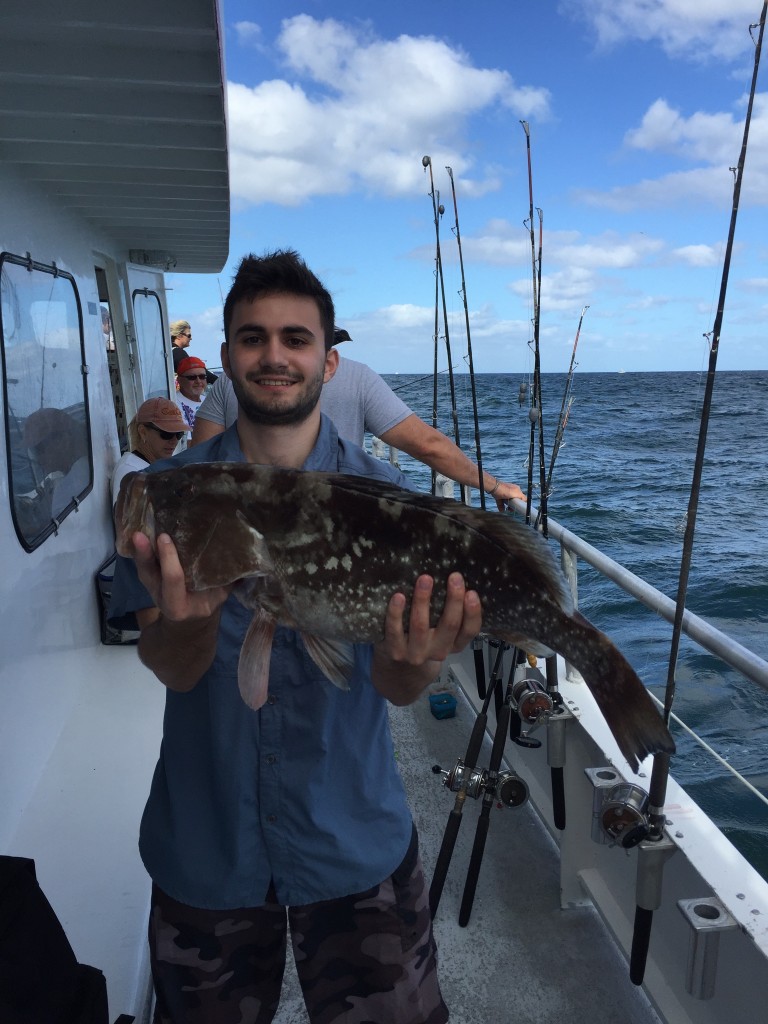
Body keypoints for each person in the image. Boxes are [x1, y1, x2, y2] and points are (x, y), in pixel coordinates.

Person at [108, 249, 482, 1024]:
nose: (274, 355)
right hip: (207, 848)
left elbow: (395, 684)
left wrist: (420, 665)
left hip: (353, 837)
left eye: (294, 338)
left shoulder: (388, 502)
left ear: (328, 361)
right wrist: (192, 623)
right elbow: (171, 669)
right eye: (252, 338)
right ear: (225, 359)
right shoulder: (169, 495)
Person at [192, 336, 524, 510]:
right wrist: (495, 486)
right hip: (342, 532)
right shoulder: (359, 377)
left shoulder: (232, 380)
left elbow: (200, 460)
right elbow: (427, 446)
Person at [110, 398, 186, 506]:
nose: (174, 441)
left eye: (179, 434)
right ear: (143, 432)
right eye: (166, 434)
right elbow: (129, 521)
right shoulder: (130, 470)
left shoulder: (154, 465)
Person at [22, 407, 90, 522]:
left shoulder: (74, 483)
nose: (37, 458)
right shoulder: (84, 470)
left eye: (38, 449)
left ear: (63, 440)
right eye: (32, 452)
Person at [170, 319, 217, 383]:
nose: (191, 338)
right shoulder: (178, 352)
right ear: (179, 336)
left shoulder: (169, 350)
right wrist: (219, 382)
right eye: (189, 335)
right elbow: (196, 371)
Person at [174, 355, 208, 438]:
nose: (198, 381)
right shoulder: (173, 403)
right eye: (192, 377)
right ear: (179, 380)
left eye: (202, 376)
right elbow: (186, 443)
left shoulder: (209, 401)